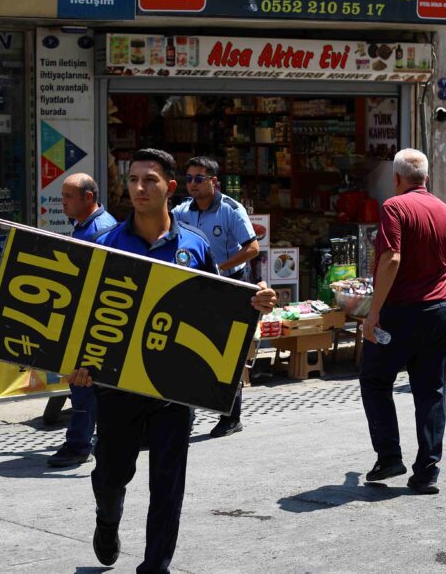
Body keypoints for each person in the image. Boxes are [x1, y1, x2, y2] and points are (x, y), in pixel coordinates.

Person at [68, 148, 276, 573]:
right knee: (111, 476)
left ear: (171, 188)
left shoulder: (195, 248)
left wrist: (255, 302)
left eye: (150, 180)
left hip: (172, 389)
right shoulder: (105, 245)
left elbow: (215, 310)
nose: (140, 188)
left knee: (168, 485)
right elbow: (83, 315)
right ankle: (107, 519)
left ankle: (155, 565)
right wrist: (78, 362)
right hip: (118, 387)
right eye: (133, 180)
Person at [360, 149, 446, 496]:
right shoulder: (443, 208)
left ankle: (389, 456)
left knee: (374, 379)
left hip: (402, 311)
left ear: (397, 179)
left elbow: (392, 258)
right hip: (440, 309)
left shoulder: (394, 207)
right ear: (426, 178)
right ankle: (427, 471)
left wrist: (374, 313)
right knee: (431, 392)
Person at [172, 156, 259, 438]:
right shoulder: (182, 210)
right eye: (189, 179)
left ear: (214, 182)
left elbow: (253, 248)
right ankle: (187, 410)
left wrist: (220, 268)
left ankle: (231, 416)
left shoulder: (231, 210)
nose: (193, 184)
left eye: (199, 179)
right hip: (197, 284)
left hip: (231, 283)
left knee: (227, 351)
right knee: (188, 346)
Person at [46, 173, 118, 468]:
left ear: (88, 198)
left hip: (94, 321)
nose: (62, 202)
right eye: (62, 196)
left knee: (84, 385)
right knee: (84, 385)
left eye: (68, 197)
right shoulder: (86, 226)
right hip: (86, 319)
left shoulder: (101, 231)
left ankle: (78, 445)